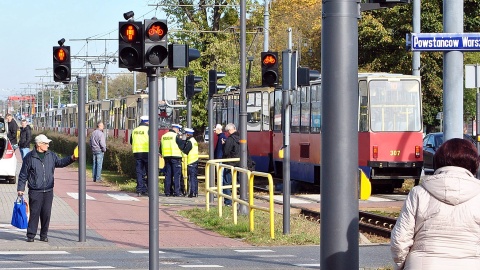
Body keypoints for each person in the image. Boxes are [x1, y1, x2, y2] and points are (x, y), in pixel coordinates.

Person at [391, 138, 480, 269]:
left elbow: (400, 240)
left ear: (437, 162)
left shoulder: (418, 193)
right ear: (474, 165)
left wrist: (405, 265)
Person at [17, 134, 77, 242]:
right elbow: (23, 174)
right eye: (46, 143)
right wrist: (20, 189)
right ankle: (31, 235)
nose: (48, 145)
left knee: (46, 214)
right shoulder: (29, 157)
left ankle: (44, 235)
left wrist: (72, 158)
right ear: (39, 144)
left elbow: (60, 162)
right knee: (34, 213)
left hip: (48, 191)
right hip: (35, 191)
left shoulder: (51, 155)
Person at [161, 123, 184, 197]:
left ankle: (168, 192)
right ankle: (177, 192)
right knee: (177, 175)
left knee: (168, 175)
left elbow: (160, 148)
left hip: (167, 157)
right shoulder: (176, 136)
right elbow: (182, 146)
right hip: (176, 157)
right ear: (176, 129)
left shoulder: (164, 136)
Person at [222, 123, 241, 206]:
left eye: (226, 131)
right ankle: (242, 201)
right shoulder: (241, 137)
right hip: (240, 163)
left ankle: (228, 202)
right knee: (240, 182)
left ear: (229, 130)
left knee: (226, 182)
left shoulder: (230, 139)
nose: (226, 133)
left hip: (230, 163)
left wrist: (224, 144)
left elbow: (226, 151)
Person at [130, 116, 149, 197]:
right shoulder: (148, 130)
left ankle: (139, 189)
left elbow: (131, 141)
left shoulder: (135, 130)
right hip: (147, 153)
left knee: (139, 172)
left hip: (137, 153)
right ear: (147, 122)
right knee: (149, 172)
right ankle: (148, 189)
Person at [182, 128, 198, 198]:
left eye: (185, 134)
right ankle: (195, 192)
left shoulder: (190, 142)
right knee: (194, 178)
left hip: (191, 161)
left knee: (191, 178)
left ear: (188, 134)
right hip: (195, 161)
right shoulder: (194, 141)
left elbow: (185, 151)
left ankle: (192, 193)